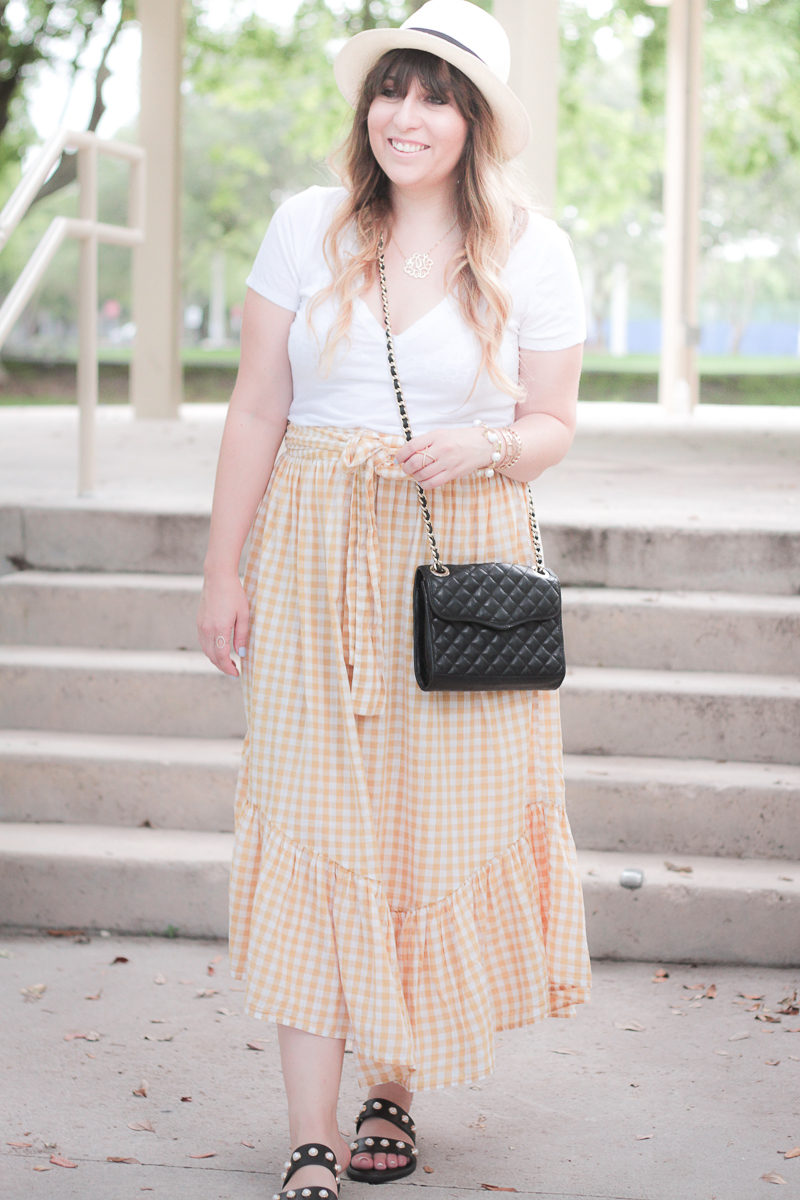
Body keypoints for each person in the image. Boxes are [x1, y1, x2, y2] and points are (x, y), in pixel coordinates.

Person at [197, 1, 591, 1195]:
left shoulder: (534, 247)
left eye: (434, 98)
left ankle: (393, 1090)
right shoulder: (305, 227)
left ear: (472, 123)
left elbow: (554, 424)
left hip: (450, 554)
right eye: (390, 91)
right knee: (314, 821)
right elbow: (257, 407)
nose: (404, 117)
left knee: (426, 829)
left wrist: (491, 447)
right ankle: (310, 1134)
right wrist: (223, 568)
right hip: (313, 548)